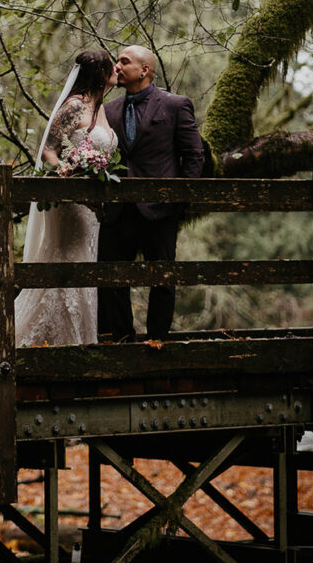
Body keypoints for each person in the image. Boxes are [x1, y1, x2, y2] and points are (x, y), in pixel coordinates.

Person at [98, 45, 204, 341]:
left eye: (124, 61)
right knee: (111, 276)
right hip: (119, 210)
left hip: (160, 209)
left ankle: (157, 339)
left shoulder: (175, 105)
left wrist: (179, 202)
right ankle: (122, 339)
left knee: (163, 278)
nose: (116, 66)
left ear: (144, 70)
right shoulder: (108, 110)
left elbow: (194, 155)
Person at [15, 49, 118, 347]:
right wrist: (67, 171)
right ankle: (47, 338)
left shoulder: (100, 107)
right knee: (67, 257)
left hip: (91, 206)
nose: (116, 70)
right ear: (100, 72)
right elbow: (49, 149)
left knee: (85, 259)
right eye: (111, 65)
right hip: (70, 201)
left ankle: (79, 339)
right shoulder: (75, 105)